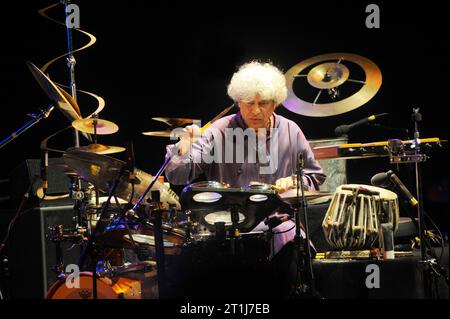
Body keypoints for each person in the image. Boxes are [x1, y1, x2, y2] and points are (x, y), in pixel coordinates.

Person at [163, 61, 326, 297]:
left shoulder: (291, 130)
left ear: (276, 103)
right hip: (226, 231)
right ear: (238, 101)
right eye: (249, 103)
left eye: (263, 104)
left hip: (278, 228)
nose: (255, 110)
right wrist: (183, 148)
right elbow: (177, 176)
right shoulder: (219, 130)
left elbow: (314, 176)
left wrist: (294, 181)